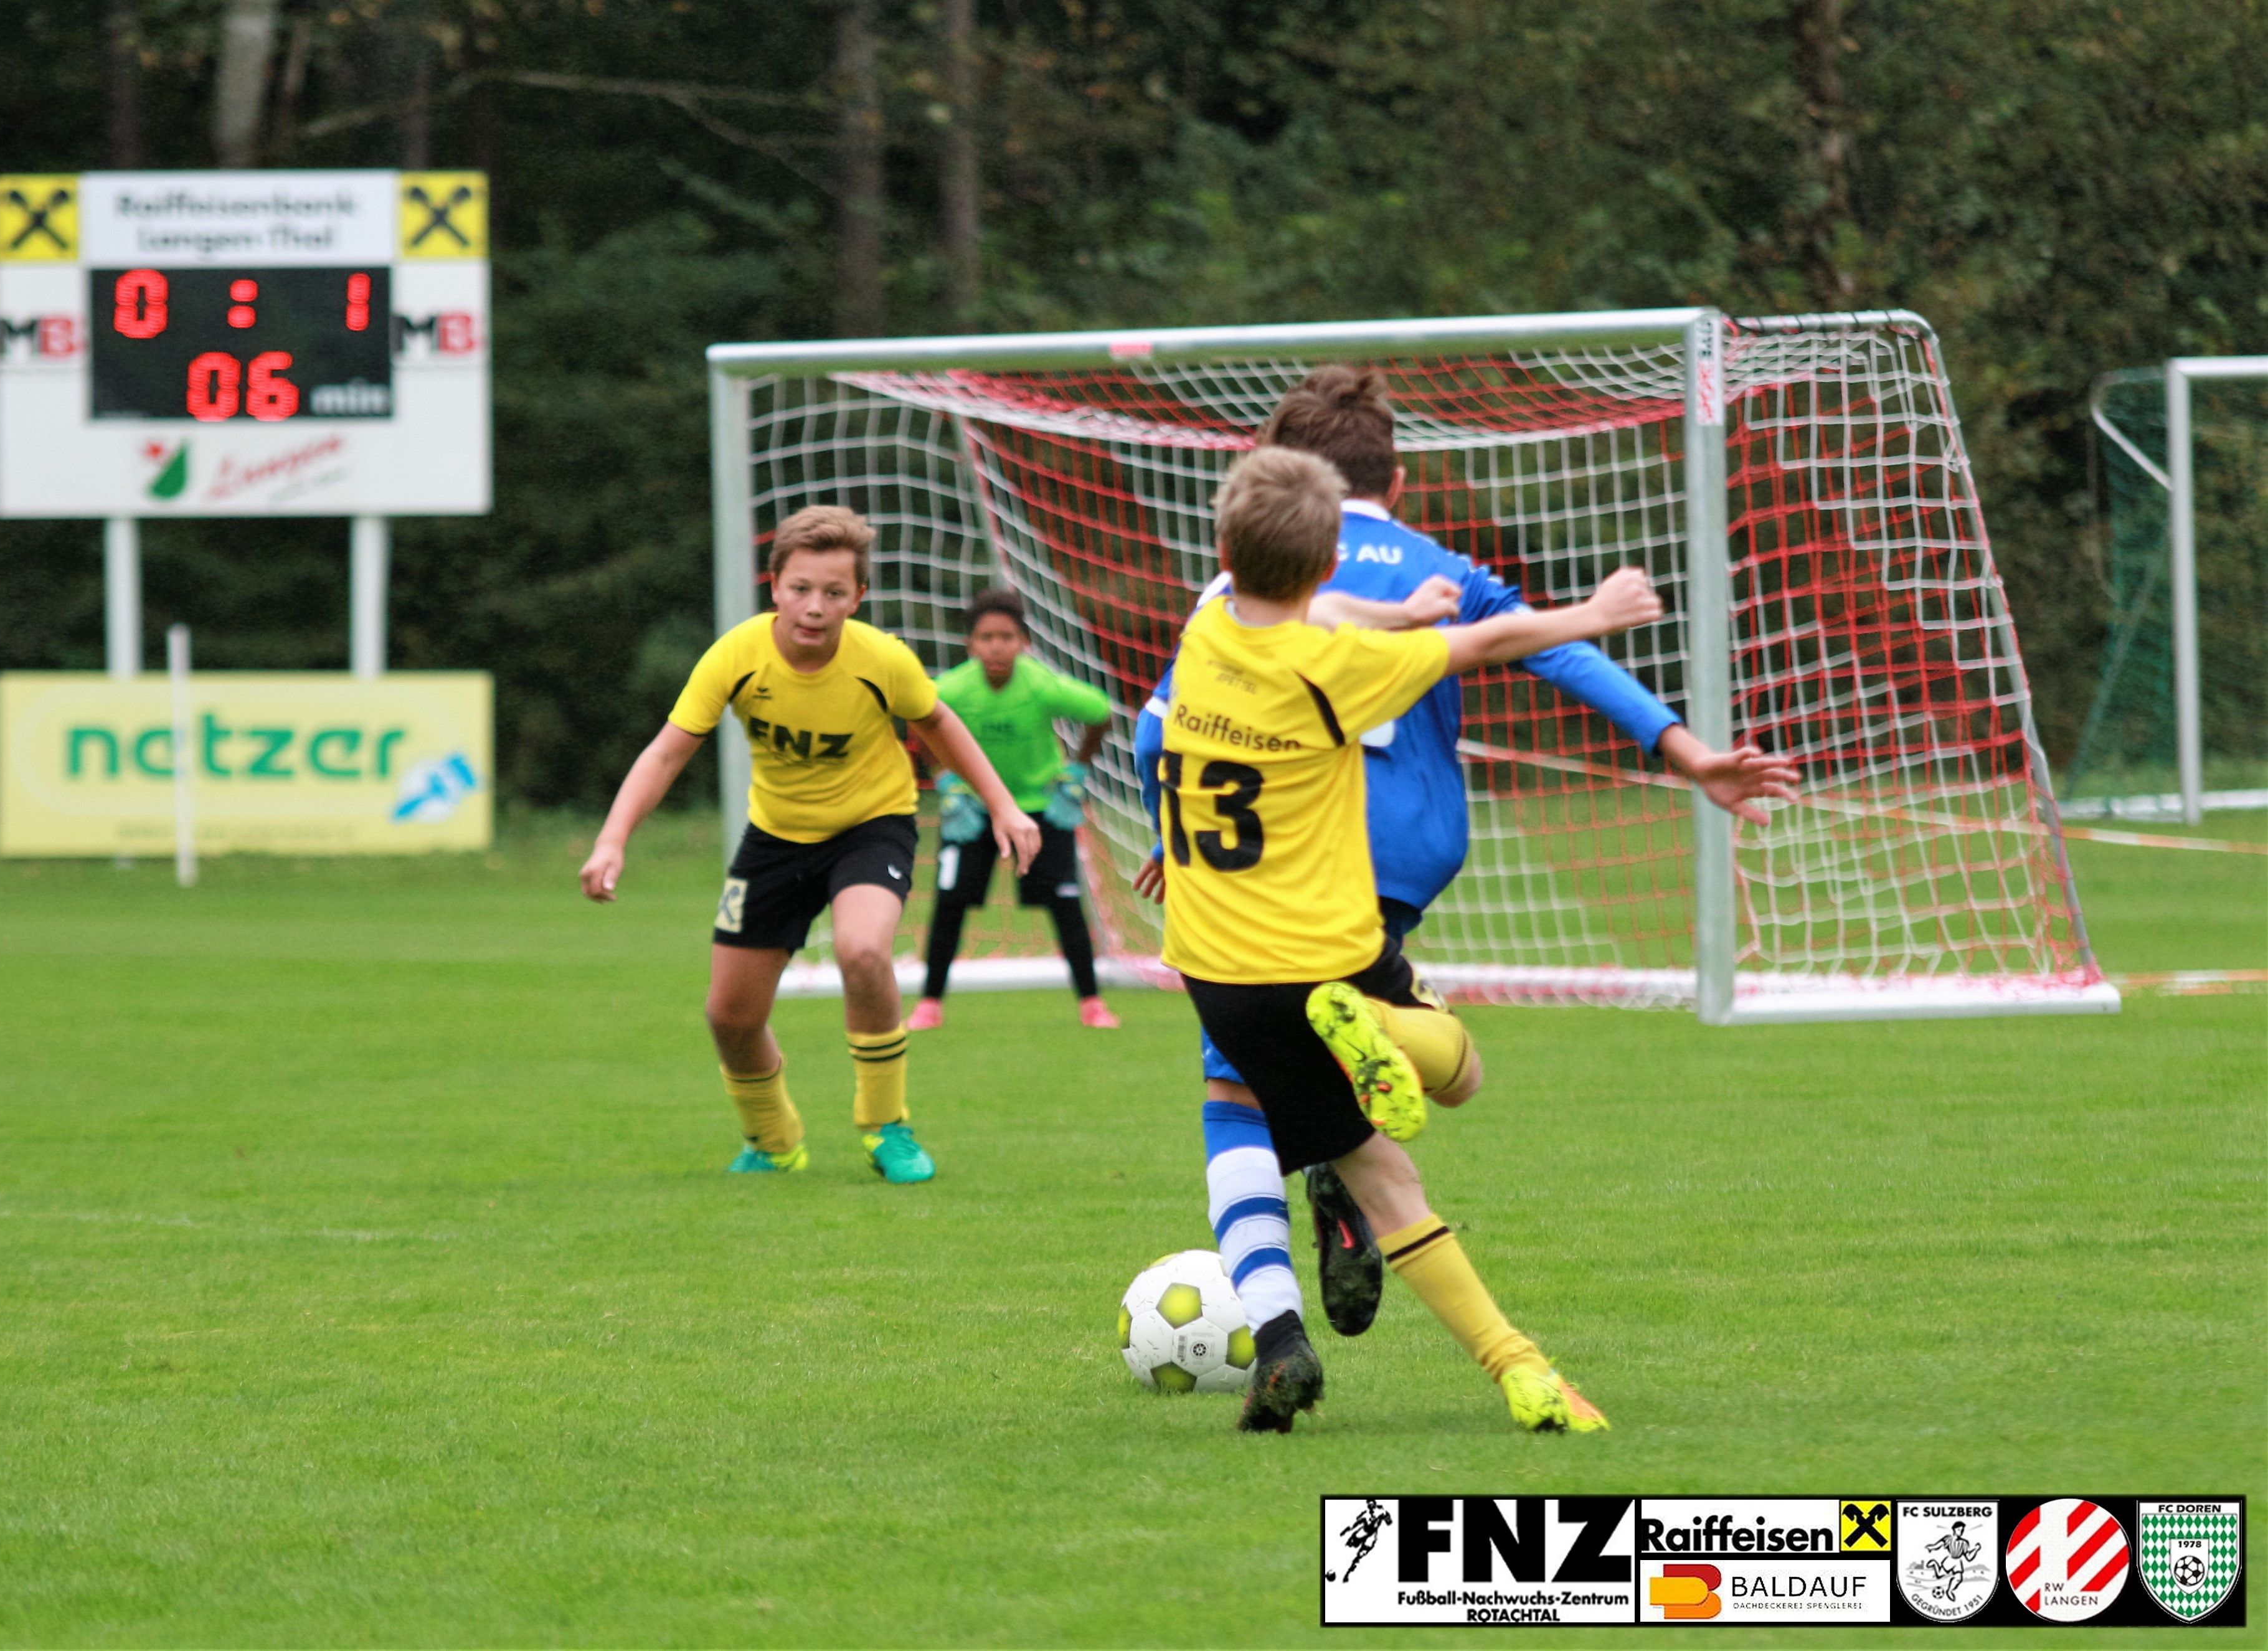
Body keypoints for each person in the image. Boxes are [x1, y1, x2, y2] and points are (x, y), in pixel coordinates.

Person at [1135, 366, 1798, 1429]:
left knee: (1265, 1117)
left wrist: (1172, 828)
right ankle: (1386, 1037)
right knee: (1451, 1079)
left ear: (1227, 544)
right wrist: (1600, 621)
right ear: (1387, 487)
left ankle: (1357, 1339)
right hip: (1349, 907)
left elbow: (1156, 724)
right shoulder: (1377, 623)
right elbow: (1503, 644)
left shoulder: (1209, 623)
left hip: (1223, 932)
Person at [579, 504, 1039, 1185]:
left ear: (858, 597)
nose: (815, 607)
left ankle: (885, 1125)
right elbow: (667, 751)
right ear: (775, 587)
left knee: (862, 949)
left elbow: (938, 723)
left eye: (833, 592)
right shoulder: (736, 655)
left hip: (871, 826)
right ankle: (773, 1141)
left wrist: (1003, 804)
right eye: (800, 588)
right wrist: (612, 840)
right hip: (775, 838)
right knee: (730, 1016)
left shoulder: (882, 659)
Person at [907, 587, 1119, 1031]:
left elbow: (1101, 712)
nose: (996, 647)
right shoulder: (954, 688)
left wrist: (1075, 774)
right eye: (986, 637)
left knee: (1065, 904)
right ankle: (928, 1005)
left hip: (1039, 811)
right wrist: (946, 783)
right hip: (973, 810)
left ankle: (1092, 1004)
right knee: (949, 903)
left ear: (1024, 642)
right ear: (971, 644)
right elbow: (917, 720)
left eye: (1006, 637)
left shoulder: (1040, 686)